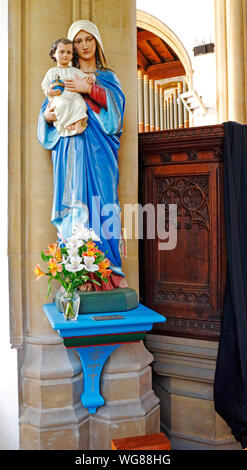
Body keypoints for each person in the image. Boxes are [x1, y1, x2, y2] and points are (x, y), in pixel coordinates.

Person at [38, 20, 127, 289]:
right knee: (76, 203)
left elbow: (116, 118)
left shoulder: (108, 78)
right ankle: (79, 272)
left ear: (97, 42)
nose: (84, 45)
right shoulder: (63, 74)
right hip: (72, 150)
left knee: (103, 202)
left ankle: (110, 271)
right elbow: (49, 104)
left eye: (89, 39)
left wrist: (90, 89)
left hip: (101, 152)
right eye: (78, 41)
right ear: (71, 47)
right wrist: (46, 115)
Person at [41, 38, 96, 137]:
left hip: (73, 96)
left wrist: (92, 77)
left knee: (80, 103)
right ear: (54, 54)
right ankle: (66, 123)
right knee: (61, 104)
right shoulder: (52, 72)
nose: (65, 55)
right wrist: (49, 91)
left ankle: (78, 123)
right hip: (59, 97)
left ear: (72, 55)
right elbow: (44, 85)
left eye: (69, 52)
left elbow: (86, 77)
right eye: (62, 52)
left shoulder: (75, 71)